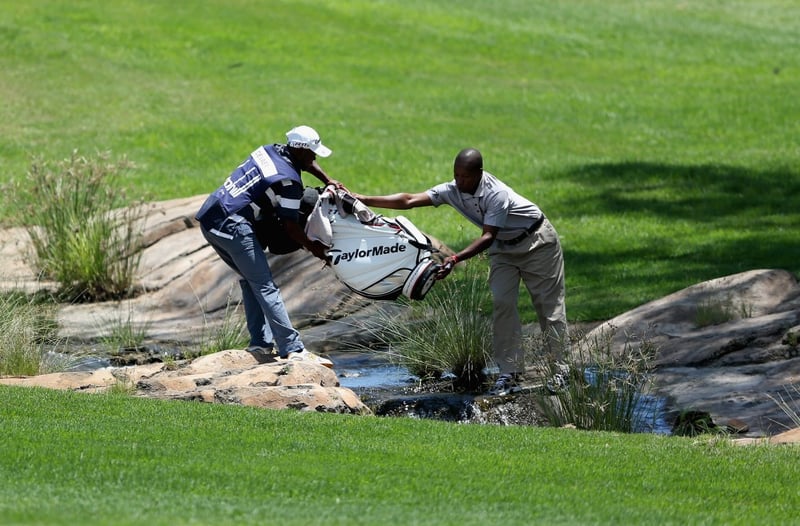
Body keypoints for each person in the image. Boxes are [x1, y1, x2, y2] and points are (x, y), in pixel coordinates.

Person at [354, 148, 569, 395]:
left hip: (536, 242)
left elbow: (488, 236)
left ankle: (561, 371)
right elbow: (409, 200)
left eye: (465, 177)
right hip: (503, 249)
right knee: (502, 303)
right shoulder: (453, 190)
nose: (459, 181)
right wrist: (364, 199)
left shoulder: (496, 194)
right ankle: (510, 373)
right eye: (456, 175)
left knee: (548, 307)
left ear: (479, 173)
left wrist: (455, 258)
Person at [195, 125, 338, 367]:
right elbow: (291, 227)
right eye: (312, 152)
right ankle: (293, 350)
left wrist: (328, 180)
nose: (314, 157)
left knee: (251, 281)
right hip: (233, 226)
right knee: (265, 285)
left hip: (211, 218)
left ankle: (260, 343)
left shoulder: (269, 150)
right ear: (299, 149)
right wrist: (314, 249)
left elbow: (306, 163)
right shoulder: (289, 183)